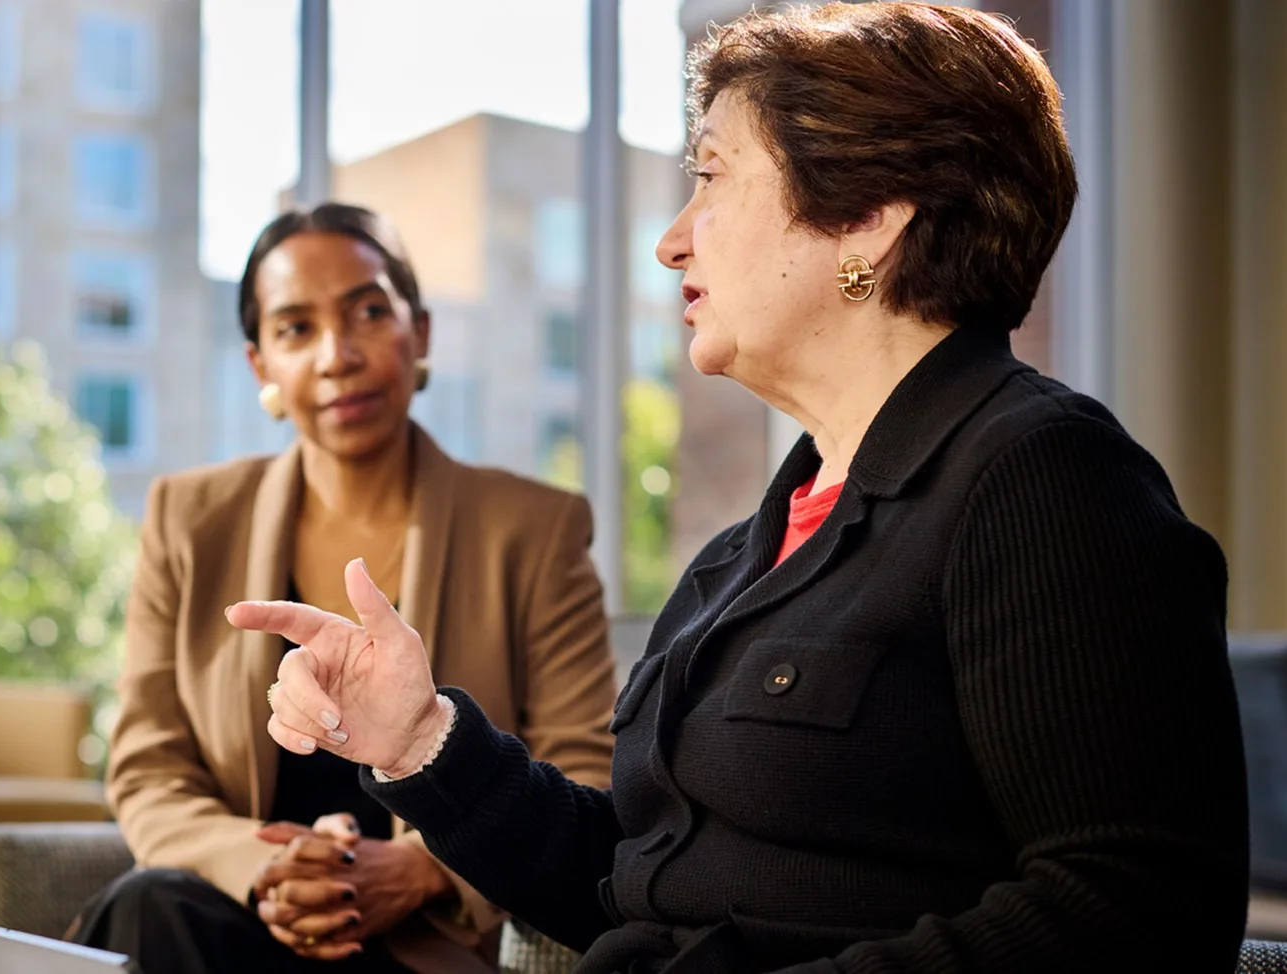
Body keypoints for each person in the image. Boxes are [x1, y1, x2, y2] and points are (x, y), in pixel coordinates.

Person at [232, 5, 1250, 973]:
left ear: (867, 218)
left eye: (711, 177)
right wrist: (421, 741)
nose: (671, 239)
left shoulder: (1044, 479)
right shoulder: (741, 556)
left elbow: (1136, 909)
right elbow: (636, 886)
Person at [69, 203, 618, 974]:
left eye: (368, 312)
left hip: (427, 948)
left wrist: (427, 866)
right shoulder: (188, 519)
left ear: (419, 331)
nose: (337, 356)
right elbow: (149, 766)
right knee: (147, 905)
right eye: (296, 328)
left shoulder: (534, 528)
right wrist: (266, 867)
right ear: (260, 364)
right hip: (232, 927)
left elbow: (584, 764)